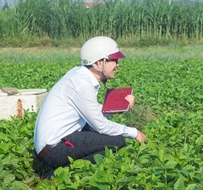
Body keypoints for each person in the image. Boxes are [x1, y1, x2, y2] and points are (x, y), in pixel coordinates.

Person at [34, 36, 147, 173]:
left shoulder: (79, 75)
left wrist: (120, 106)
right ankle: (63, 173)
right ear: (100, 63)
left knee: (97, 132)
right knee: (117, 142)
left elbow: (91, 111)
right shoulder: (82, 84)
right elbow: (102, 126)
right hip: (53, 150)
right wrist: (134, 133)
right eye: (114, 60)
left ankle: (64, 168)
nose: (118, 64)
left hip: (51, 145)